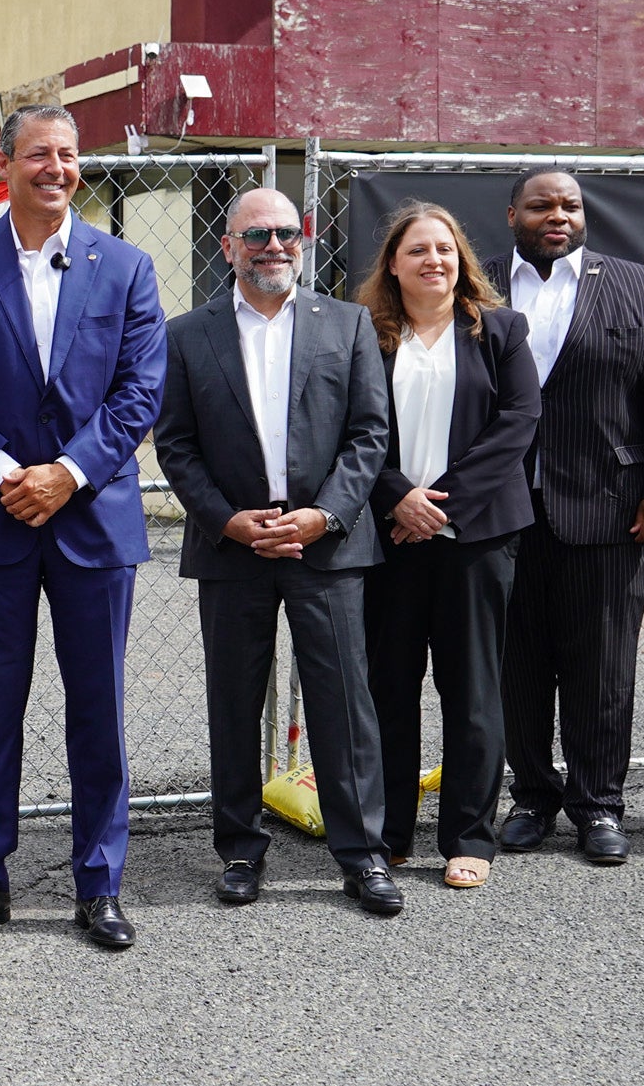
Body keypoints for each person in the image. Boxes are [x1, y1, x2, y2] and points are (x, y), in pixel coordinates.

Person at [0, 104, 166, 950]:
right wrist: (2, 473)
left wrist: (68, 473)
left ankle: (100, 884)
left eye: (68, 154)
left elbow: (138, 391)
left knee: (100, 710)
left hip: (93, 521)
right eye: (37, 154)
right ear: (4, 164)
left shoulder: (125, 267)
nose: (55, 167)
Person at [157, 187, 401, 916]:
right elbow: (176, 444)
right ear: (227, 245)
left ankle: (362, 854)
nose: (274, 245)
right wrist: (230, 521)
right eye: (256, 233)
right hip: (233, 549)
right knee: (234, 703)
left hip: (325, 548)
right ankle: (239, 847)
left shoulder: (348, 324)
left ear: (307, 240)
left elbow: (368, 433)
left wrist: (323, 515)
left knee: (344, 704)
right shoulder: (186, 334)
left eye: (287, 233)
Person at [484, 169, 644, 866]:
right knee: (516, 666)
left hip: (611, 512)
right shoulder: (479, 285)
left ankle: (598, 804)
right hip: (504, 511)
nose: (558, 215)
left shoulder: (639, 286)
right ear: (513, 212)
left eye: (570, 205)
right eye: (543, 204)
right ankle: (531, 797)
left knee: (604, 667)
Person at [355, 200, 539, 890]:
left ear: (462, 257)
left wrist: (439, 507)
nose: (434, 259)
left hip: (476, 538)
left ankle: (469, 835)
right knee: (388, 687)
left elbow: (518, 422)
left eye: (445, 248)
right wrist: (396, 496)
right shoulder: (365, 335)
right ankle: (390, 831)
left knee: (473, 689)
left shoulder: (501, 330)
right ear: (393, 265)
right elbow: (348, 430)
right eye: (417, 250)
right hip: (388, 537)